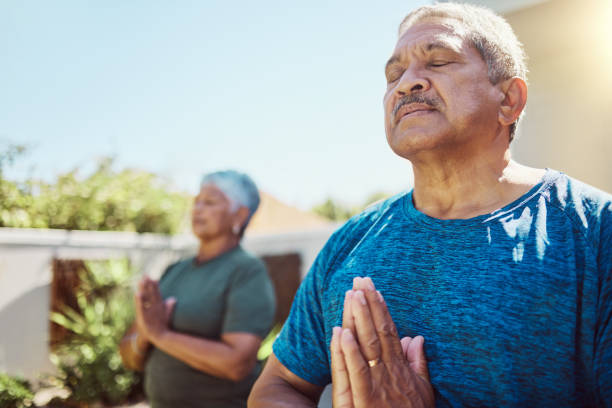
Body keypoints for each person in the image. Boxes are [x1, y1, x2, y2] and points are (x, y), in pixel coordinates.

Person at [248, 3, 612, 407]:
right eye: (393, 75)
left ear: (509, 99)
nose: (406, 84)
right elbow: (278, 386)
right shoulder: (348, 243)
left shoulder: (595, 231)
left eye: (437, 61)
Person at [119, 170, 276, 408]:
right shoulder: (175, 270)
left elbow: (236, 364)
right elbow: (128, 355)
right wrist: (144, 336)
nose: (198, 208)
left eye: (210, 202)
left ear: (240, 215)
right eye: (196, 201)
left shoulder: (247, 271)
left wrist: (161, 335)